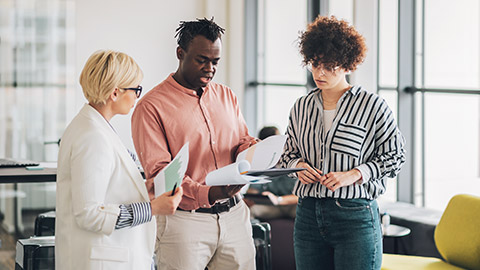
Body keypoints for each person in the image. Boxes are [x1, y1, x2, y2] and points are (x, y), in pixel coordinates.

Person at [280, 16, 406, 270]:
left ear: (348, 65)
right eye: (315, 64)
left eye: (330, 66)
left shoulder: (372, 106)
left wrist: (355, 174)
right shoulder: (301, 107)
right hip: (307, 216)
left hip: (355, 216)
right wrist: (298, 165)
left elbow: (395, 157)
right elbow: (286, 155)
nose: (320, 73)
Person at [131, 18, 256, 269]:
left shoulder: (226, 95)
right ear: (180, 53)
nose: (210, 68)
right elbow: (161, 174)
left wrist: (256, 152)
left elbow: (242, 140)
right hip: (184, 223)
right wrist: (209, 193)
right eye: (202, 60)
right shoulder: (151, 107)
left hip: (235, 217)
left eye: (215, 62)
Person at [55, 50, 183, 270]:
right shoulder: (92, 137)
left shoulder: (94, 127)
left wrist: (145, 190)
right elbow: (90, 214)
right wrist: (152, 208)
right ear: (115, 93)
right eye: (136, 90)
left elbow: (106, 188)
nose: (137, 97)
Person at [246, 126, 298, 220]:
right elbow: (253, 191)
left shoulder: (292, 160)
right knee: (249, 211)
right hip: (271, 207)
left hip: (292, 206)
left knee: (306, 211)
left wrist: (278, 200)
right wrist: (250, 198)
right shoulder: (261, 165)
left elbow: (301, 196)